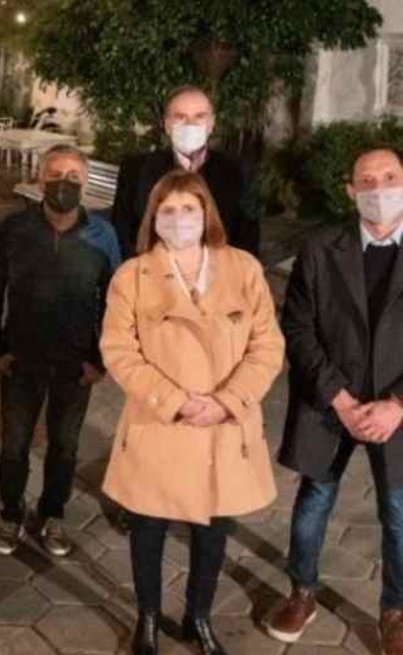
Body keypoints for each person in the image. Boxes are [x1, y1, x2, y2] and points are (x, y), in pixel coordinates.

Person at [101, 170, 283, 655]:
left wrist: (227, 401)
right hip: (159, 423)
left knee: (212, 531)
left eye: (189, 208)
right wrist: (175, 402)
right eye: (168, 210)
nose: (179, 218)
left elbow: (267, 346)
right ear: (153, 218)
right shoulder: (132, 276)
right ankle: (147, 617)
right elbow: (118, 350)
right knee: (148, 529)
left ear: (207, 214)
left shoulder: (243, 268)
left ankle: (198, 616)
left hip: (223, 425)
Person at [266, 148, 403, 655]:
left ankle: (395, 610)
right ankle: (302, 591)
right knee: (313, 501)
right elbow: (298, 326)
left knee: (399, 512)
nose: (379, 189)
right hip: (330, 399)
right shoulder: (322, 248)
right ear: (350, 191)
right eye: (366, 181)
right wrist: (340, 400)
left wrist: (397, 404)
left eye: (390, 177)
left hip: (396, 408)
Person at [0, 144, 120, 558]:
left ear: (85, 183)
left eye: (74, 176)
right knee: (14, 445)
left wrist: (98, 360)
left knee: (64, 446)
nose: (64, 183)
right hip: (20, 359)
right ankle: (11, 514)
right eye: (56, 174)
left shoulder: (103, 235)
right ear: (40, 179)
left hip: (75, 364)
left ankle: (52, 514)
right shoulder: (14, 228)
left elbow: (114, 301)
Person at [110, 86, 260, 259]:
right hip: (150, 270)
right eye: (180, 117)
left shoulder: (237, 172)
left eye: (199, 116)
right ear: (167, 125)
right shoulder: (135, 169)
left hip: (217, 271)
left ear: (211, 124)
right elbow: (121, 233)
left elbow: (248, 240)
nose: (190, 125)